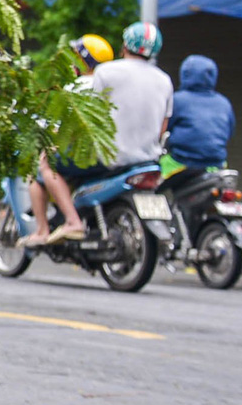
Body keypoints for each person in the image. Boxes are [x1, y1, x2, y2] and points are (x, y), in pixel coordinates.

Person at [26, 21, 172, 246]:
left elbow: (89, 117)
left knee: (46, 164)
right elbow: (162, 127)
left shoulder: (107, 72)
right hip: (147, 160)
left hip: (108, 158)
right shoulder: (165, 80)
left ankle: (72, 222)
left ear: (125, 45)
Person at [167, 54, 234, 175]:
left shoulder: (178, 100)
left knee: (152, 180)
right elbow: (229, 132)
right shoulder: (224, 103)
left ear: (184, 74)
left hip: (182, 162)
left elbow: (165, 127)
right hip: (217, 165)